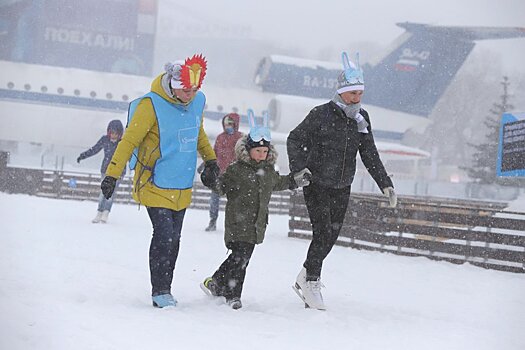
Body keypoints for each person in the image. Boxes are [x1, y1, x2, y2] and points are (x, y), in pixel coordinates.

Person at [100, 54, 219, 308]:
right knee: (164, 234)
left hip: (181, 183)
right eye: (186, 90)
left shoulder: (196, 102)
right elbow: (129, 141)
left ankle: (167, 287)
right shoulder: (150, 105)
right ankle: (160, 290)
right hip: (153, 182)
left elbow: (196, 131)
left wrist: (211, 161)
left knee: (175, 238)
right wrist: (112, 174)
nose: (191, 94)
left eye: (195, 89)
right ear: (175, 86)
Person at [287, 52, 397, 310]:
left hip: (342, 186)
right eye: (352, 94)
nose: (357, 98)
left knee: (332, 235)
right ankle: (312, 280)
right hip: (316, 184)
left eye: (360, 93)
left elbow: (370, 154)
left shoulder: (362, 119)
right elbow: (295, 139)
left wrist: (385, 183)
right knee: (322, 231)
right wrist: (299, 170)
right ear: (341, 92)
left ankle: (305, 275)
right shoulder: (321, 114)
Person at [200, 110, 311, 309]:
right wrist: (210, 179)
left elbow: (279, 183)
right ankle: (234, 296)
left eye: (264, 152)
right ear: (248, 150)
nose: (261, 155)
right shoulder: (236, 169)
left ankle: (215, 282)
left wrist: (296, 180)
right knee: (241, 259)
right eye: (257, 151)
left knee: (239, 259)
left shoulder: (268, 172)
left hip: (256, 224)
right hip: (238, 222)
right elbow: (221, 187)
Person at [77, 119, 124, 223]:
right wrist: (83, 156)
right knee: (103, 192)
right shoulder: (105, 140)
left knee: (110, 193)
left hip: (118, 172)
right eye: (111, 133)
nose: (113, 136)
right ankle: (99, 212)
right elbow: (95, 149)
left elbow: (130, 156)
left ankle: (106, 213)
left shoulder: (123, 143)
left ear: (119, 133)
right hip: (105, 170)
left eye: (116, 133)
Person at [204, 113, 243, 231]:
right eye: (226, 124)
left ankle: (235, 223)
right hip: (219, 174)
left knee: (234, 201)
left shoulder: (240, 138)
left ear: (235, 124)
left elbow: (243, 154)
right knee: (214, 199)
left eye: (230, 124)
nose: (228, 126)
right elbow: (214, 153)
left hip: (234, 175)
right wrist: (206, 165)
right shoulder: (220, 137)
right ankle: (213, 220)